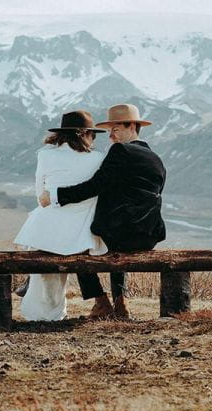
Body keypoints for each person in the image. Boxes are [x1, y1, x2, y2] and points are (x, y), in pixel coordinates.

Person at [40, 103, 166, 320]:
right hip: (149, 235)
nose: (111, 137)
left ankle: (101, 302)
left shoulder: (120, 151)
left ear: (132, 127)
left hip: (120, 234)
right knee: (115, 235)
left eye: (115, 129)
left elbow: (96, 185)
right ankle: (121, 303)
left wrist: (55, 196)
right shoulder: (155, 158)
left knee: (77, 243)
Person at [13, 110, 107, 321]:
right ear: (83, 134)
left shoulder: (46, 155)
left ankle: (39, 306)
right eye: (92, 134)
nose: (93, 139)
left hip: (48, 230)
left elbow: (40, 196)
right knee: (60, 253)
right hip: (82, 233)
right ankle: (53, 309)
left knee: (43, 253)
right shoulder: (99, 158)